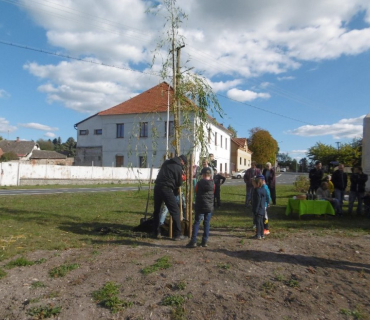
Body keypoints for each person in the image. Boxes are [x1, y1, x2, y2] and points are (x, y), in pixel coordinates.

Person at [152, 154, 188, 241]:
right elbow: (179, 183)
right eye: (184, 164)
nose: (183, 165)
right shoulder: (178, 168)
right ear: (182, 161)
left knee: (157, 210)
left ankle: (156, 232)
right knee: (175, 211)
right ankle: (178, 234)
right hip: (167, 189)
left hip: (157, 187)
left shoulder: (166, 162)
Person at [186, 167, 215, 248]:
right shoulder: (213, 183)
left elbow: (195, 191)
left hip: (200, 206)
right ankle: (204, 241)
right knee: (206, 223)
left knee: (197, 222)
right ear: (210, 175)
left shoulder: (199, 183)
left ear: (203, 175)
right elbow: (214, 192)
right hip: (209, 206)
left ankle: (193, 241)